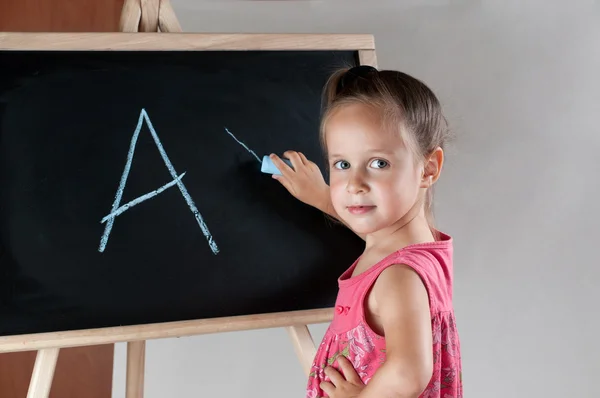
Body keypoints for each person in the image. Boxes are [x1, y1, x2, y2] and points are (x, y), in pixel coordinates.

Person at [269, 65, 462, 398]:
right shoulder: (412, 245)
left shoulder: (398, 276)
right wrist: (322, 196)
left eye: (378, 163)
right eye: (342, 164)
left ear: (428, 168)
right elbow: (379, 235)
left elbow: (408, 372)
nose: (355, 185)